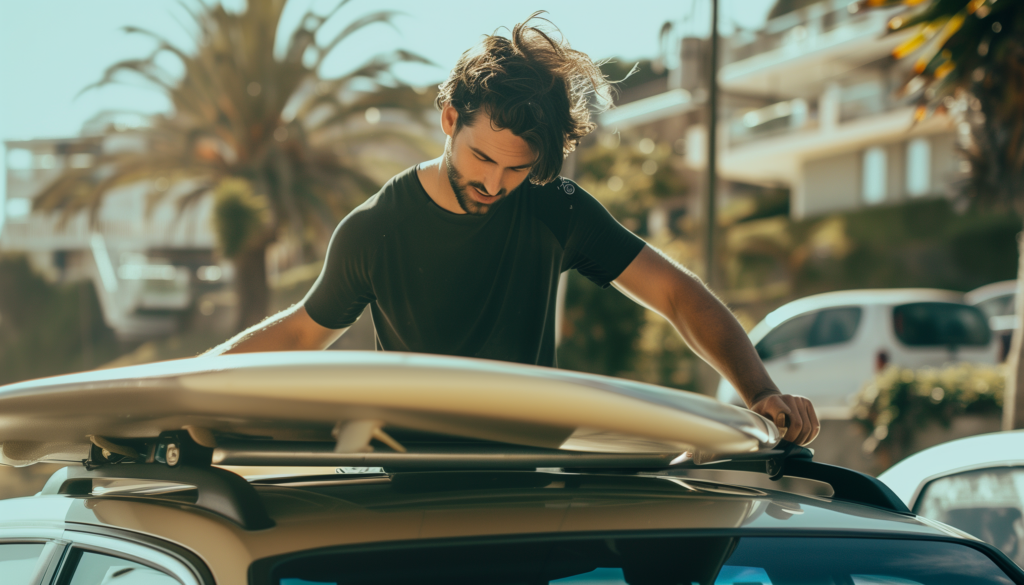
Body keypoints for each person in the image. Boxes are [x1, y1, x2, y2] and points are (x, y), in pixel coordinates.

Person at [206, 13, 820, 446]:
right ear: (449, 118)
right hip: (404, 498)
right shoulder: (375, 230)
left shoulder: (555, 207)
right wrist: (178, 387)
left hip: (524, 487)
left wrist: (760, 391)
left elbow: (677, 296)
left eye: (517, 168)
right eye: (481, 159)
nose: (496, 184)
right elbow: (299, 335)